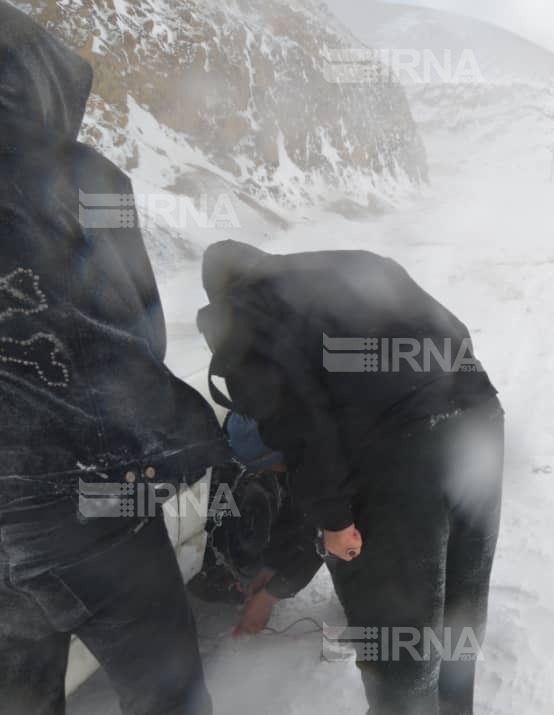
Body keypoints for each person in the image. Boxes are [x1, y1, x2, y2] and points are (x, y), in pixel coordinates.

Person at [0, 4, 231, 714]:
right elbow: (143, 329)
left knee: (20, 688)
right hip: (89, 503)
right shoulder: (83, 177)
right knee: (168, 692)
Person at [196, 240, 504, 715]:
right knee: (457, 610)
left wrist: (335, 520)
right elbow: (456, 332)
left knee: (395, 639)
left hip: (399, 457)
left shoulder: (242, 312)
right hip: (479, 421)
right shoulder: (354, 264)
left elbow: (304, 430)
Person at [187, 411, 323, 637]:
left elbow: (324, 534)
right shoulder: (246, 416)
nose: (260, 473)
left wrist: (269, 597)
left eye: (263, 466)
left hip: (378, 503)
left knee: (347, 546)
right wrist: (270, 568)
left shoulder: (324, 459)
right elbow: (295, 516)